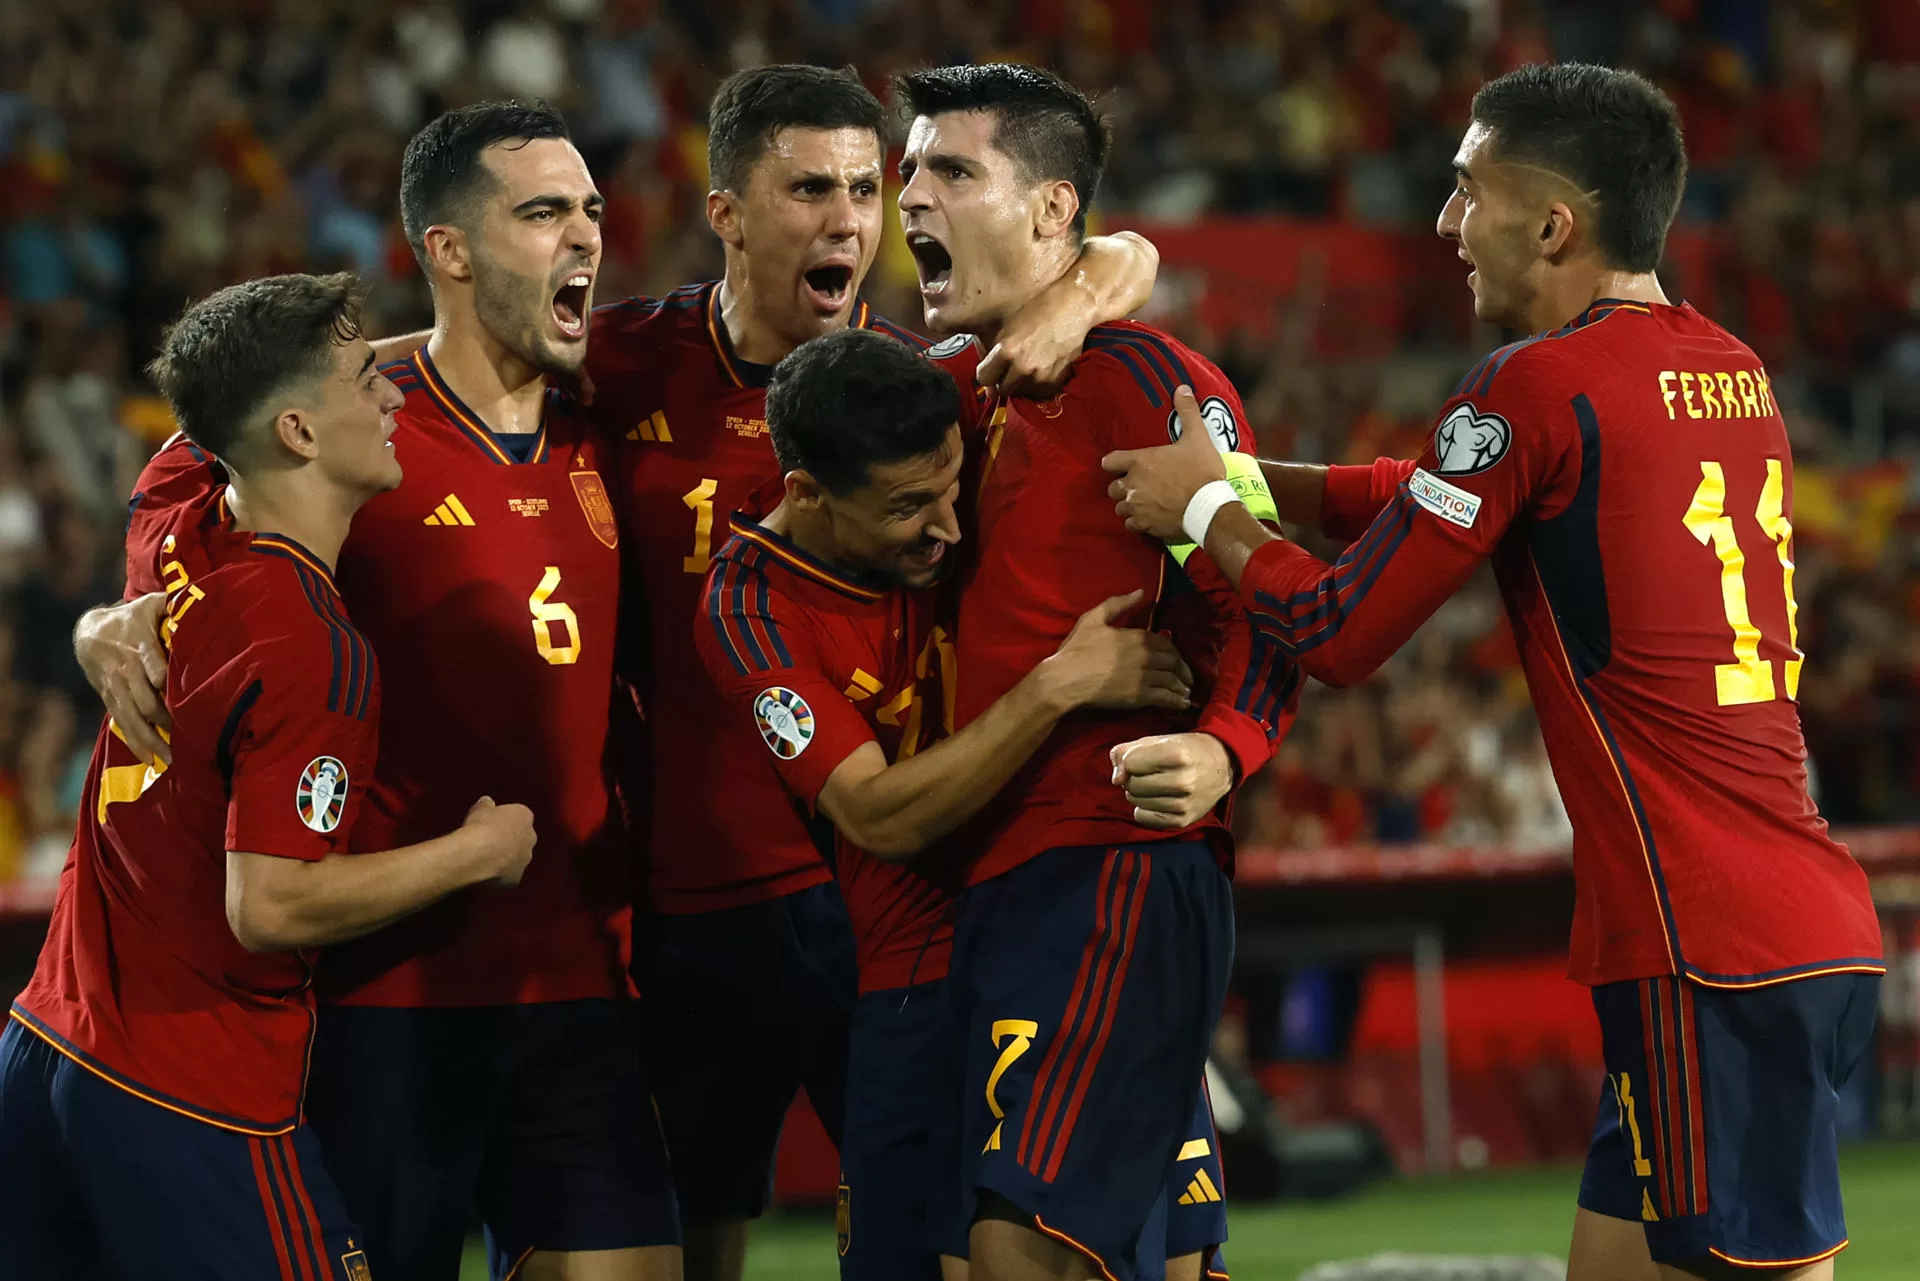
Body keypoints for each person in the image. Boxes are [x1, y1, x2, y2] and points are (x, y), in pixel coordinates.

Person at [1102, 63, 1883, 1281]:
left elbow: (1342, 634)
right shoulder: (1731, 370)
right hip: (1790, 920)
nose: (1444, 226)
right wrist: (1255, 483)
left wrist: (1205, 509)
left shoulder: (1534, 384)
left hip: (1701, 946)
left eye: (1467, 192)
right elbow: (1427, 500)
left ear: (1554, 223)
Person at [75, 103, 680, 1281]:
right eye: (544, 212)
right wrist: (121, 614)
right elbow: (178, 487)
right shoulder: (359, 415)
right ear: (449, 251)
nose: (585, 240)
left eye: (593, 212)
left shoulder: (612, 415)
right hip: (381, 1002)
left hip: (576, 977)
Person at [581, 65, 1162, 1281]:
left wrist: (1094, 285)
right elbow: (383, 379)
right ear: (727, 211)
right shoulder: (621, 365)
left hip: (897, 904)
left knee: (938, 1232)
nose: (850, 218)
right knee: (694, 1241)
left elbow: (1114, 252)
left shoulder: (922, 388)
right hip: (699, 904)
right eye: (808, 189)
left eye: (866, 186)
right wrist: (154, 550)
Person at [0, 272, 538, 1280]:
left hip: (43, 1051)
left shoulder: (181, 538)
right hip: (187, 1090)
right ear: (295, 430)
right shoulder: (309, 643)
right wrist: (475, 852)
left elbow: (210, 399)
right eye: (359, 379)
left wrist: (92, 623)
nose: (393, 395)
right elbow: (274, 905)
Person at [893, 63, 1299, 1281]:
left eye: (952, 170)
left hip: (1109, 864)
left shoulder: (1150, 385)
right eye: (910, 169)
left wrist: (1225, 747)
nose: (915, 195)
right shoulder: (946, 395)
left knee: (1021, 1253)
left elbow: (1268, 605)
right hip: (1001, 877)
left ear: (1053, 210)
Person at [698, 328, 1210, 1281]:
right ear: (805, 492)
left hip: (1071, 927)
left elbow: (1101, 261)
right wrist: (1059, 685)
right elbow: (879, 816)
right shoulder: (749, 605)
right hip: (917, 980)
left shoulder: (948, 392)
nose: (950, 527)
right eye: (905, 507)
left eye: (951, 484)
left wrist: (1103, 278)